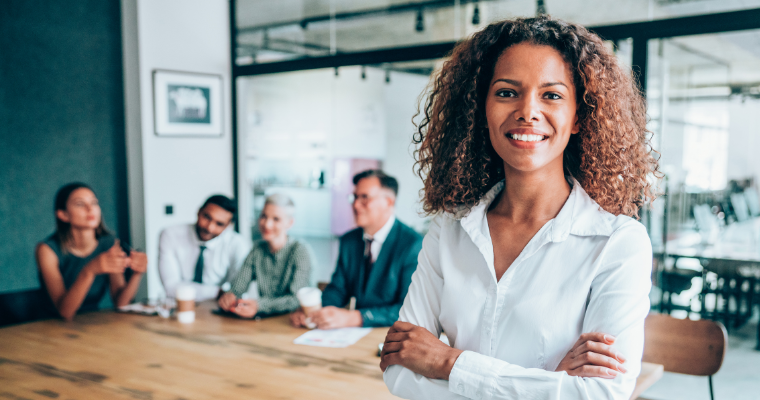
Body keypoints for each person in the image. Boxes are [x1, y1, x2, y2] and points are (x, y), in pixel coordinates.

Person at [380, 16, 660, 400]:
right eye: (507, 92)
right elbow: (399, 369)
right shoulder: (450, 229)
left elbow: (599, 394)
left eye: (552, 95)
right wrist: (548, 384)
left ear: (579, 115)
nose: (528, 111)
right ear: (482, 109)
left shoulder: (618, 244)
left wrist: (448, 362)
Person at [290, 170, 424, 329]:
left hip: (393, 335)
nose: (355, 205)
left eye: (365, 198)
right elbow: (338, 289)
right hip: (353, 336)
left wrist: (354, 318)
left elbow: (408, 309)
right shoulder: (349, 240)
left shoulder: (413, 244)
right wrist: (314, 313)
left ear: (388, 202)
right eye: (355, 197)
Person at [36, 182, 148, 321]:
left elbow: (121, 304)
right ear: (63, 215)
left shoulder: (109, 243)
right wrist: (89, 270)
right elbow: (65, 312)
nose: (90, 209)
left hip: (91, 322)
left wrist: (137, 274)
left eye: (94, 203)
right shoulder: (47, 250)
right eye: (80, 204)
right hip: (49, 326)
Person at [218, 194, 315, 318]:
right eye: (264, 216)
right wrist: (230, 296)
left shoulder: (300, 251)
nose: (267, 224)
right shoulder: (257, 250)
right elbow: (238, 287)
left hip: (294, 321)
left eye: (276, 219)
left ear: (289, 223)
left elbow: (296, 300)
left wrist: (259, 305)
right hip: (265, 322)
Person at [158, 195, 251, 302]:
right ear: (198, 211)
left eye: (219, 224)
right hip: (179, 305)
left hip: (218, 309)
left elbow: (238, 290)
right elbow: (171, 287)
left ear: (228, 226)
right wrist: (218, 292)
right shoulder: (170, 235)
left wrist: (228, 294)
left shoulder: (237, 244)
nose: (209, 227)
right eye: (207, 217)